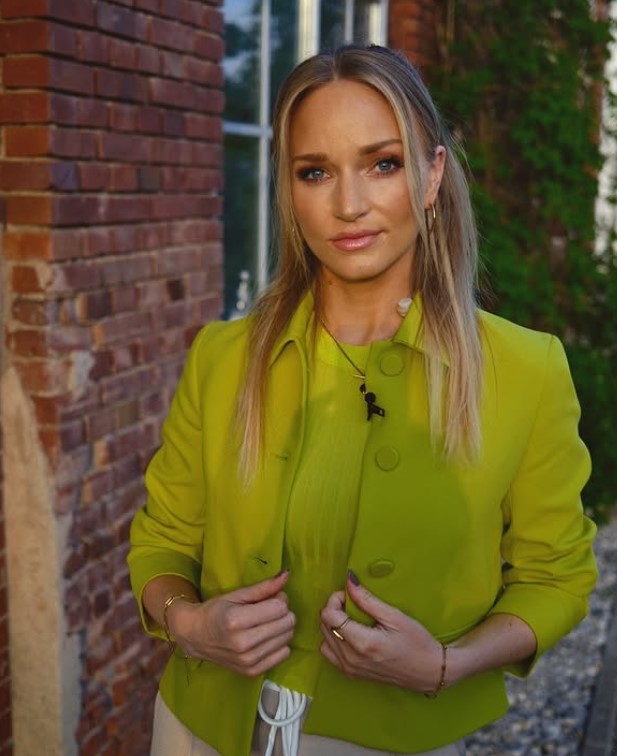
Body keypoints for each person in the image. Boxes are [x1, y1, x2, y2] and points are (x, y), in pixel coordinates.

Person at [128, 45, 598, 756]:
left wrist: (446, 665)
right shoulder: (222, 357)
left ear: (432, 173)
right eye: (314, 172)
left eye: (382, 163)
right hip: (196, 730)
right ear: (290, 191)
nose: (348, 205)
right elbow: (162, 542)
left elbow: (554, 577)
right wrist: (189, 625)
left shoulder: (526, 371)